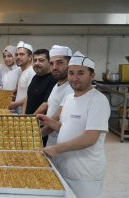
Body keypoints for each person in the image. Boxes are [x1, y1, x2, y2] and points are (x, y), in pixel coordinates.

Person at [37, 51, 110, 198]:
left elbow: (90, 138)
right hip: (63, 166)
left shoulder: (98, 100)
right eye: (71, 73)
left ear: (92, 75)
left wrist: (56, 148)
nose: (75, 78)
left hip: (84, 173)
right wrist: (50, 121)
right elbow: (68, 128)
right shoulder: (69, 98)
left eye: (80, 73)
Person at [37, 45, 73, 146]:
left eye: (60, 63)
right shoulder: (57, 85)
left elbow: (56, 118)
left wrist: (33, 136)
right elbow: (50, 110)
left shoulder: (70, 89)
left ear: (70, 63)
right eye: (52, 63)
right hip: (51, 140)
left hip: (63, 144)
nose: (54, 67)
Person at [25, 49, 57, 115]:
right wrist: (23, 118)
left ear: (49, 62)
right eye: (35, 60)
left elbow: (45, 105)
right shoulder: (35, 77)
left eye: (41, 60)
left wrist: (30, 120)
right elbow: (27, 98)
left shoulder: (53, 79)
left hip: (39, 122)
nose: (37, 63)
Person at [9, 41, 36, 114]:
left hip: (26, 113)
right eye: (16, 54)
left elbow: (31, 96)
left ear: (30, 57)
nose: (18, 57)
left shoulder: (32, 72)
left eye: (22, 54)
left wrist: (15, 104)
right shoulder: (22, 71)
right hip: (19, 111)